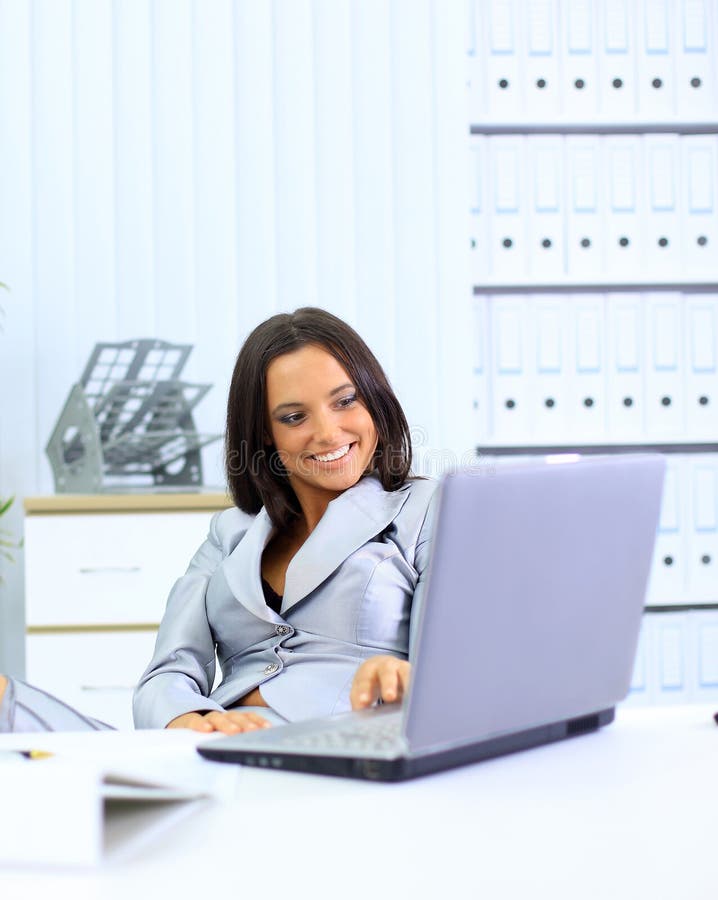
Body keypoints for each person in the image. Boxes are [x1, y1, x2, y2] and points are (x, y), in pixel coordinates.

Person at [0, 308, 437, 734]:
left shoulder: (425, 510)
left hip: (337, 747)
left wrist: (399, 676)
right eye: (293, 417)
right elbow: (167, 674)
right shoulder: (230, 533)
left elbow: (455, 673)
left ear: (372, 398)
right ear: (266, 431)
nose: (326, 432)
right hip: (213, 751)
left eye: (345, 401)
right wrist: (192, 719)